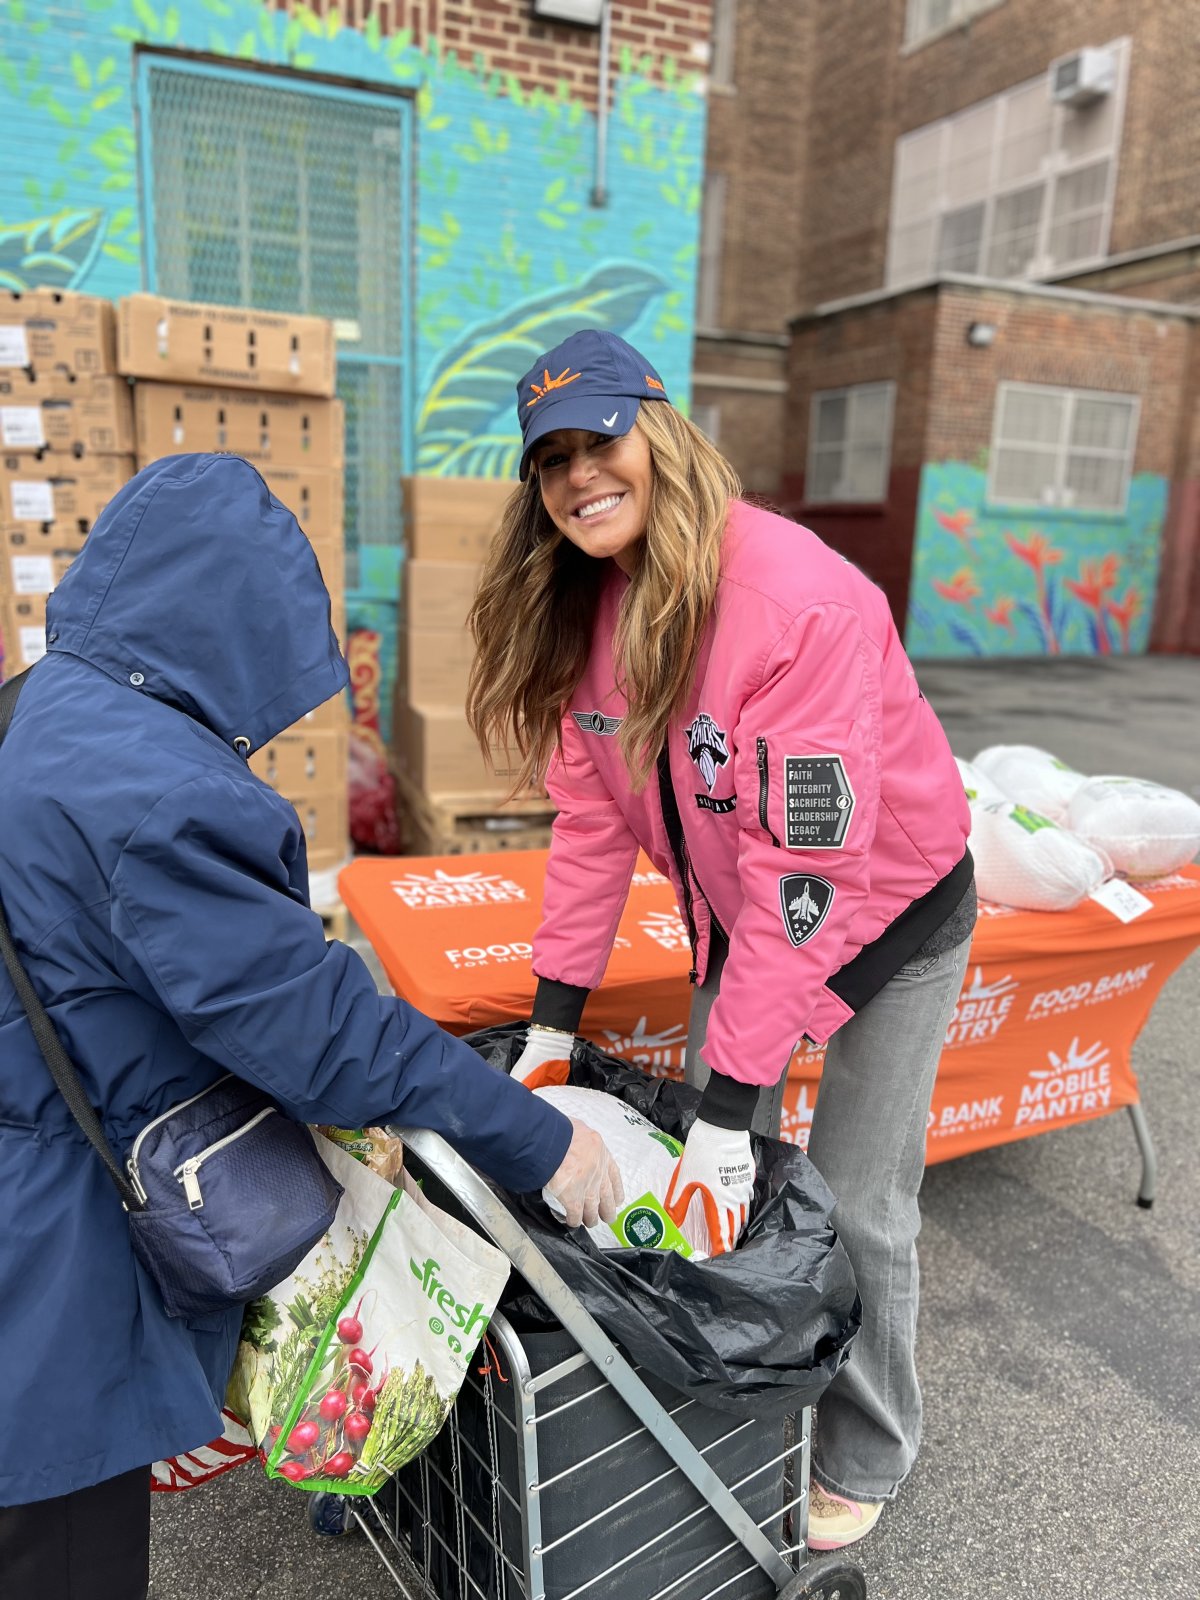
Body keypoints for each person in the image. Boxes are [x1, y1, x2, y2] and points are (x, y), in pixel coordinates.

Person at [0, 453, 621, 1600]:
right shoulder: (148, 790)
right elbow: (322, 1030)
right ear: (225, 628)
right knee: (63, 1549)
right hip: (43, 1246)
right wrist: (542, 1142)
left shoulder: (46, 707)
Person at [466, 328, 976, 1551]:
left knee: (852, 1200)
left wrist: (733, 1103)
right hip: (746, 915)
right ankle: (738, 1403)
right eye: (553, 460)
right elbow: (591, 830)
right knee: (710, 1187)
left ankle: (867, 1444)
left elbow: (815, 873)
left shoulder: (798, 600)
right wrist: (549, 1027)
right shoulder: (588, 610)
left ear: (664, 428)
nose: (582, 475)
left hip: (889, 907)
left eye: (603, 440)